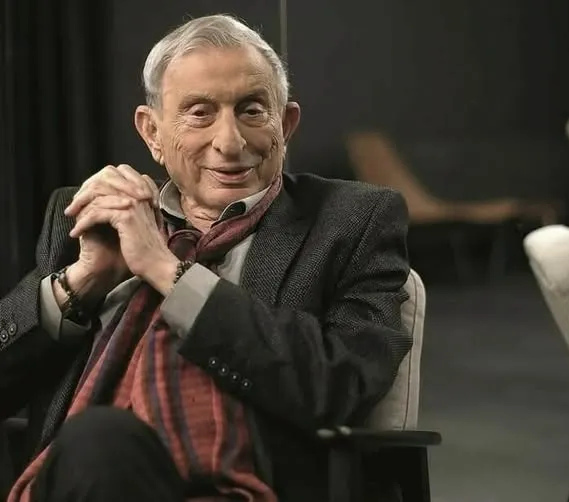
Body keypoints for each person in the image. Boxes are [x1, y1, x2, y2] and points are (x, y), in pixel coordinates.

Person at [0, 14, 412, 502]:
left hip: (245, 485)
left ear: (286, 125)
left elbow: (341, 384)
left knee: (99, 439)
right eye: (200, 113)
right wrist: (81, 282)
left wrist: (168, 273)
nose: (230, 142)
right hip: (78, 482)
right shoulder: (94, 215)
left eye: (252, 110)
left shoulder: (352, 220)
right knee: (97, 445)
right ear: (152, 132)